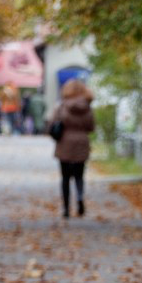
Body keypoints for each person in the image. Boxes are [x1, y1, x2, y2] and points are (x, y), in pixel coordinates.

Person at [49, 78, 95, 218]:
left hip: (65, 143)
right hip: (81, 142)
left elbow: (52, 124)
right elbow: (91, 127)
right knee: (79, 176)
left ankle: (66, 208)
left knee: (65, 177)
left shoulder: (62, 106)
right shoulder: (87, 107)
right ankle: (80, 198)